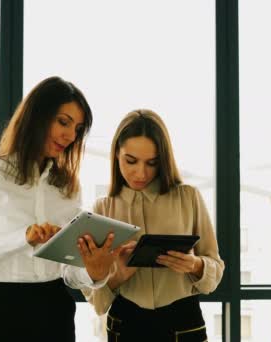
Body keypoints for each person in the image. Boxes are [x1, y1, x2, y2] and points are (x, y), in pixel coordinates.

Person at [0, 76, 118, 342]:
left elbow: (67, 271)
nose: (69, 135)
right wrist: (22, 238)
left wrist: (94, 272)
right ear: (36, 116)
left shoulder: (68, 187)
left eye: (77, 129)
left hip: (56, 313)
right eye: (63, 122)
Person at [81, 109, 225, 342]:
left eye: (152, 163)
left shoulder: (188, 197)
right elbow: (97, 305)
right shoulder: (102, 210)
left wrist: (195, 265)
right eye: (130, 161)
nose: (141, 173)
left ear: (164, 160)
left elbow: (215, 271)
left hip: (183, 322)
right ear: (116, 153)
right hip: (126, 323)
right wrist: (117, 275)